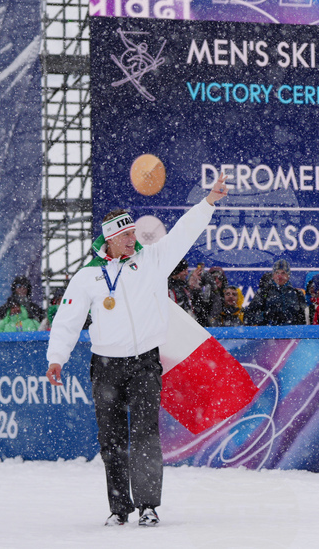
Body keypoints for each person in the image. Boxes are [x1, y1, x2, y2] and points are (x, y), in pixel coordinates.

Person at [45, 174, 229, 527]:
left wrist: (207, 203)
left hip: (145, 362)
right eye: (126, 235)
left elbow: (183, 233)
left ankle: (147, 505)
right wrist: (56, 358)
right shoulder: (87, 276)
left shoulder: (153, 260)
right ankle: (119, 509)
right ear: (110, 240)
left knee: (145, 434)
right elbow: (68, 319)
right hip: (106, 366)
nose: (133, 239)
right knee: (111, 440)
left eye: (133, 233)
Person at [244, 259, 306, 326]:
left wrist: (291, 318)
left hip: (291, 332)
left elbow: (304, 321)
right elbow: (247, 318)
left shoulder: (297, 294)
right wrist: (265, 315)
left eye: (283, 273)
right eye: (277, 273)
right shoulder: (263, 293)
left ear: (288, 276)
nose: (279, 276)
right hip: (269, 332)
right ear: (273, 276)